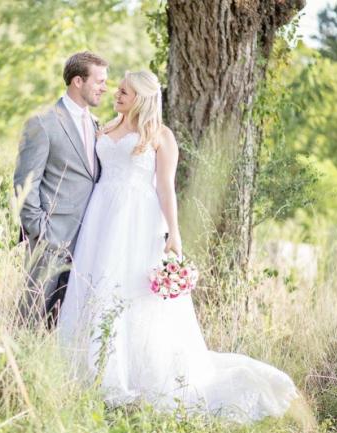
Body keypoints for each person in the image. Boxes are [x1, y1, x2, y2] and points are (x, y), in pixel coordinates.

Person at [57, 70, 300, 422]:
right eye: (118, 90)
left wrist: (174, 233)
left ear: (140, 97)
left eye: (124, 91)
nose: (116, 94)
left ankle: (136, 376)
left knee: (134, 292)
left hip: (139, 220)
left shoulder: (160, 136)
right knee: (98, 284)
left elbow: (165, 188)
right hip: (101, 217)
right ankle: (94, 370)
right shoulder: (104, 128)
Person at [13, 51, 108, 326]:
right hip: (51, 237)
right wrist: (41, 230)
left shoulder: (95, 124)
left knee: (69, 320)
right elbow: (25, 182)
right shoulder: (43, 121)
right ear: (78, 81)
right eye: (99, 81)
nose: (104, 87)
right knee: (33, 315)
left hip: (89, 238)